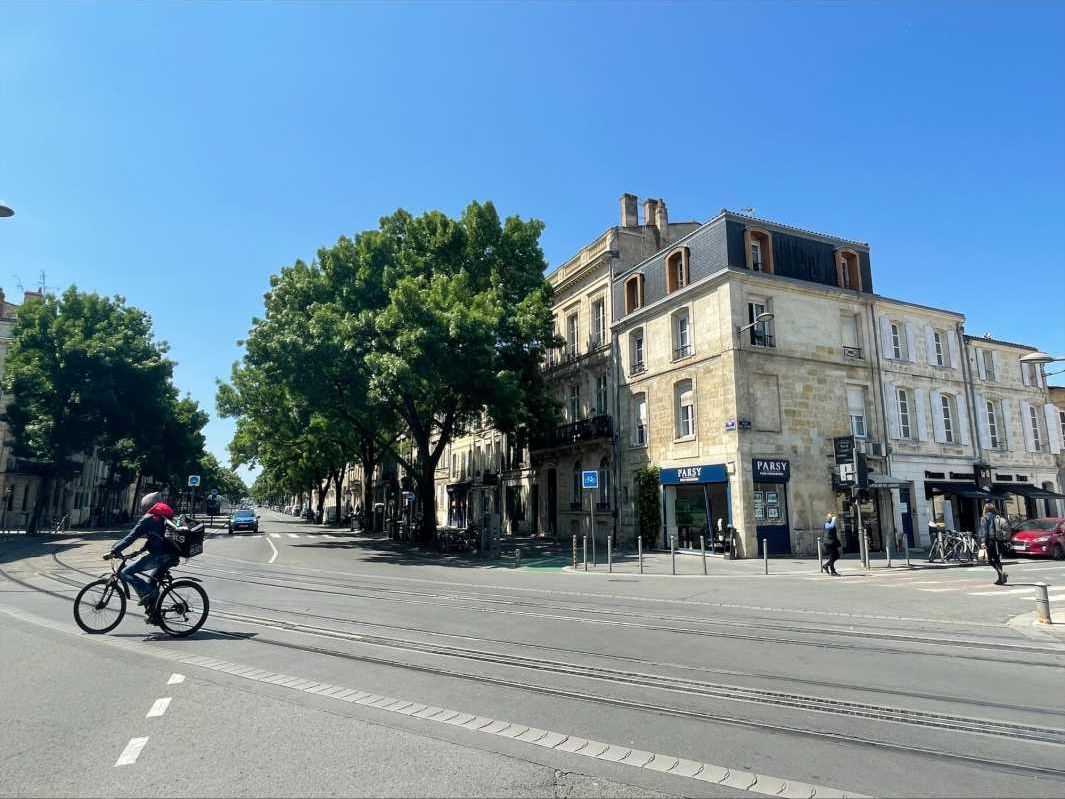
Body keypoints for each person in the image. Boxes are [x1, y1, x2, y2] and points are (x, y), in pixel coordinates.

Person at [104, 495, 178, 624]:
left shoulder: (148, 519)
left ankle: (151, 593)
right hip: (171, 555)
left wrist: (114, 550)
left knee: (125, 572)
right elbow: (156, 538)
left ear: (147, 506)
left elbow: (130, 537)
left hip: (160, 556)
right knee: (151, 581)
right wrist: (140, 551)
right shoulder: (162, 517)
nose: (143, 510)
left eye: (143, 507)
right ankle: (154, 615)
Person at [980, 502, 1007, 585]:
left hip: (990, 541)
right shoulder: (998, 516)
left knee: (990, 560)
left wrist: (983, 541)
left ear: (986, 509)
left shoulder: (984, 518)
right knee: (997, 559)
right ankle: (1001, 579)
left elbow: (984, 530)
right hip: (999, 541)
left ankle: (1001, 573)